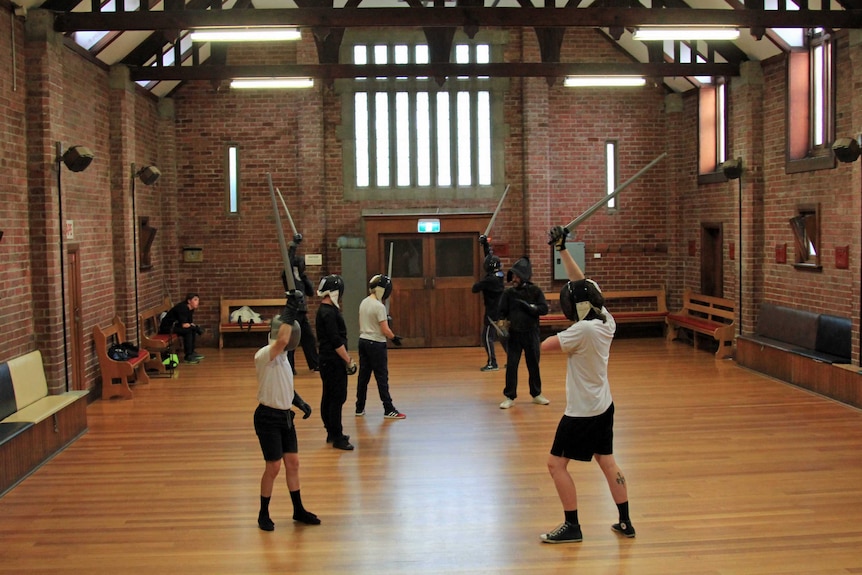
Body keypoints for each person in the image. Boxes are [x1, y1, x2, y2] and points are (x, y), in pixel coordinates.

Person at [538, 225, 635, 544]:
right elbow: (580, 285)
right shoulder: (606, 319)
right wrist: (562, 249)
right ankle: (625, 522)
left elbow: (546, 346)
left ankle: (572, 526)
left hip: (581, 414)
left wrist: (522, 330)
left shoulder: (582, 332)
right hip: (603, 406)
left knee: (556, 464)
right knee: (607, 460)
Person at [253, 295, 320, 531]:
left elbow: (285, 386)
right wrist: (290, 310)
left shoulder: (284, 359)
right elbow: (281, 340)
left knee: (293, 463)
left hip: (285, 417)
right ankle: (263, 513)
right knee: (273, 467)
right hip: (267, 418)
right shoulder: (265, 355)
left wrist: (298, 401)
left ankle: (298, 509)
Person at [497, 257, 549, 409]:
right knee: (512, 366)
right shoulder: (508, 294)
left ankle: (536, 394)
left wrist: (531, 307)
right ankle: (509, 396)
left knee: (533, 365)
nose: (514, 278)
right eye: (513, 276)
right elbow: (501, 312)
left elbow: (543, 309)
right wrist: (502, 324)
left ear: (524, 277)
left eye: (517, 276)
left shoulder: (535, 291)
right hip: (514, 334)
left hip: (531, 333)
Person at [355, 274, 405, 420]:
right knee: (381, 377)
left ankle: (359, 407)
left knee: (363, 377)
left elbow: (360, 323)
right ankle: (388, 409)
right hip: (376, 344)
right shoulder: (379, 306)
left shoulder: (363, 302)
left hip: (363, 341)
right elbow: (385, 329)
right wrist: (394, 338)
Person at [315, 274, 356, 451]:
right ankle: (337, 437)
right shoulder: (329, 313)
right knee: (336, 398)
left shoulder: (324, 310)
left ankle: (331, 432)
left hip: (326, 361)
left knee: (329, 396)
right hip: (333, 361)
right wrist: (348, 360)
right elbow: (335, 340)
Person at [472, 235, 507, 371]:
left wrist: (479, 283)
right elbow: (489, 258)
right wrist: (485, 244)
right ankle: (511, 359)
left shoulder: (489, 281)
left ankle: (493, 363)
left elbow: (475, 288)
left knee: (487, 337)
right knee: (503, 336)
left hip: (492, 313)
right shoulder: (499, 275)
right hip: (501, 311)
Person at [286, 239, 320, 374]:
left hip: (302, 312)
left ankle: (314, 363)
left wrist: (305, 279)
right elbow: (287, 262)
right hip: (294, 311)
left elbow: (311, 292)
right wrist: (293, 246)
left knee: (309, 338)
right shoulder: (289, 277)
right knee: (292, 340)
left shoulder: (302, 278)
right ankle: (289, 367)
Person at [159, 292, 205, 364]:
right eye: (195, 300)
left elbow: (189, 323)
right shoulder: (183, 308)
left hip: (176, 326)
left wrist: (195, 327)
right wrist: (195, 328)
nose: (197, 302)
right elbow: (184, 325)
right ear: (189, 301)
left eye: (198, 300)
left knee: (191, 329)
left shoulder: (191, 309)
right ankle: (188, 356)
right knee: (188, 331)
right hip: (168, 328)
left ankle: (192, 352)